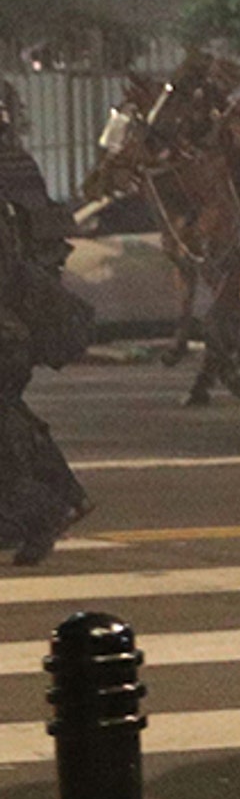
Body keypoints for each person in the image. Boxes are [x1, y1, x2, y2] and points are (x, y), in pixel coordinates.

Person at [0, 85, 90, 563]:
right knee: (12, 419)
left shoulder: (13, 168)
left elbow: (37, 251)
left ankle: (42, 511)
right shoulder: (16, 167)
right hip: (14, 321)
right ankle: (62, 498)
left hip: (10, 322)